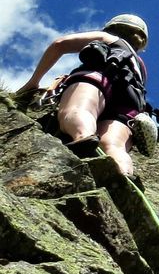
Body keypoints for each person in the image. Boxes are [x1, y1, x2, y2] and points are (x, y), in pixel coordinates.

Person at [15, 14, 150, 178]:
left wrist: (33, 82)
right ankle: (123, 175)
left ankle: (84, 139)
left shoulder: (108, 38)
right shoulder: (140, 66)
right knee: (114, 144)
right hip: (130, 102)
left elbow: (59, 45)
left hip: (99, 79)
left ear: (113, 27)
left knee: (78, 111)